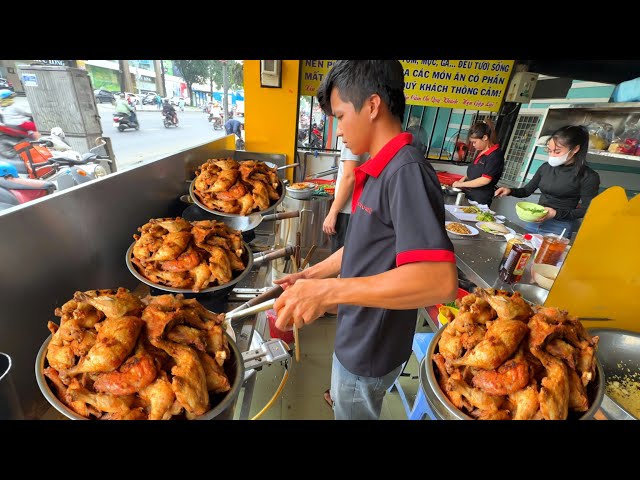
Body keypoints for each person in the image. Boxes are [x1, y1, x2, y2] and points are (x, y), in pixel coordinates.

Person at [272, 60, 458, 420]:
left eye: (340, 116)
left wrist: (330, 293)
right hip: (356, 332)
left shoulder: (407, 172)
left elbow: (438, 282)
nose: (338, 129)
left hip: (371, 346)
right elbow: (364, 243)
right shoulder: (379, 168)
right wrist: (314, 277)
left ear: (373, 106)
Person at [494, 125, 600, 238]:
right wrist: (509, 191)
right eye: (549, 151)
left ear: (575, 149)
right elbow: (526, 190)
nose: (552, 155)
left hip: (559, 227)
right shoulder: (545, 167)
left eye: (557, 151)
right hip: (535, 221)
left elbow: (588, 209)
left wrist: (556, 213)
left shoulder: (588, 176)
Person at [322, 143, 367, 253]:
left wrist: (333, 212)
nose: (338, 132)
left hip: (346, 210)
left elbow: (349, 177)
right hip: (358, 207)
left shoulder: (351, 135)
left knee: (341, 257)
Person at [451, 118, 504, 207]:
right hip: (469, 194)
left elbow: (485, 180)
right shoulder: (482, 151)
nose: (473, 145)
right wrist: (462, 180)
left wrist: (461, 184)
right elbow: (475, 171)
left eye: (475, 142)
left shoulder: (495, 155)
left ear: (485, 137)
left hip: (479, 199)